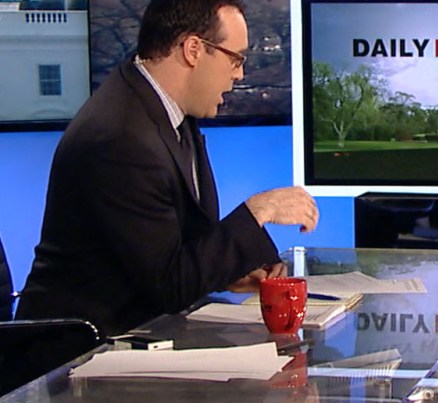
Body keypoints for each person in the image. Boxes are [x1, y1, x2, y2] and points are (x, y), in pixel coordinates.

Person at [15, 0, 318, 337]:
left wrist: (226, 270)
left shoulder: (165, 110)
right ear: (193, 49)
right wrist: (259, 210)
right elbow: (170, 285)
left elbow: (175, 248)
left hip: (141, 330)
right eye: (236, 58)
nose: (239, 74)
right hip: (81, 348)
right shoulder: (120, 137)